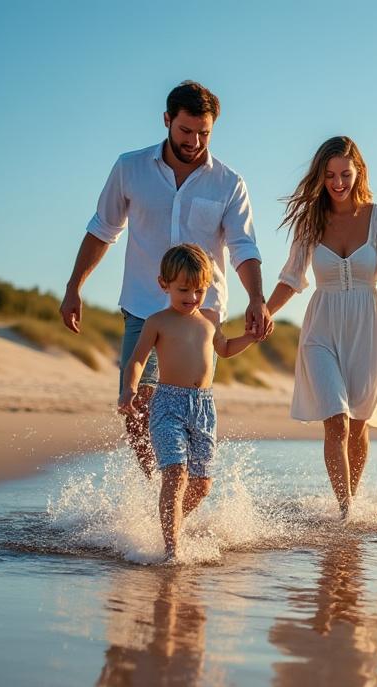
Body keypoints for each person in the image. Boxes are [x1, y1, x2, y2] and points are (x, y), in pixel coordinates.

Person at [61, 80, 274, 478]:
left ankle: (180, 491)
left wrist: (257, 298)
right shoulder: (130, 168)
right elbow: (103, 229)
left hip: (200, 310)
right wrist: (75, 286)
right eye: (186, 131)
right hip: (143, 305)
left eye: (204, 132)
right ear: (167, 120)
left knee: (185, 405)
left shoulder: (229, 183)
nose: (194, 141)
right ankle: (158, 491)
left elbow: (243, 248)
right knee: (137, 406)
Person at [265, 136, 377, 518]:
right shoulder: (310, 220)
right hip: (321, 326)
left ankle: (349, 504)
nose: (338, 183)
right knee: (336, 421)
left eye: (344, 174)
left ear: (358, 171)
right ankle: (345, 513)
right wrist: (263, 312)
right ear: (321, 178)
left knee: (358, 427)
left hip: (368, 328)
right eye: (329, 176)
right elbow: (291, 278)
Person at [119, 244, 256, 561]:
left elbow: (225, 348)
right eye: (184, 290)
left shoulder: (209, 321)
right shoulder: (157, 322)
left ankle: (170, 520)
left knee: (202, 484)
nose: (192, 298)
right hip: (167, 406)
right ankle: (172, 550)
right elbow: (137, 361)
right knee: (176, 474)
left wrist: (250, 338)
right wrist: (129, 389)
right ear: (163, 284)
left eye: (199, 290)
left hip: (204, 409)